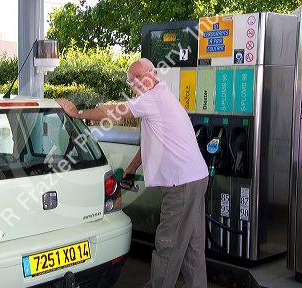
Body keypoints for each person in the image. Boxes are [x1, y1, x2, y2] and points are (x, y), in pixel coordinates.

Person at [56, 58, 209, 288]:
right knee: (191, 246)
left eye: (140, 75)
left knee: (168, 245)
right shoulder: (161, 97)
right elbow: (154, 142)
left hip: (181, 185)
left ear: (153, 72)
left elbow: (115, 112)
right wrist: (131, 168)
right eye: (132, 79)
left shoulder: (153, 99)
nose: (136, 82)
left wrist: (77, 113)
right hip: (195, 178)